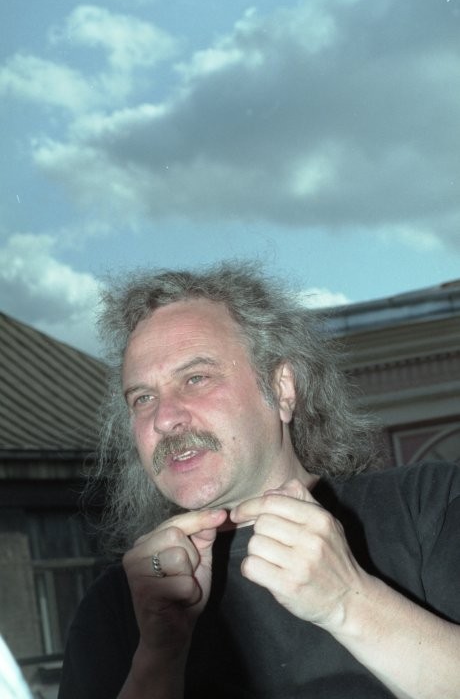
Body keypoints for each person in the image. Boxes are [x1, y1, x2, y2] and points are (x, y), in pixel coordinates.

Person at [58, 261, 460, 699]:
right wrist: (159, 655)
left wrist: (348, 600)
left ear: (282, 388)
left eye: (196, 378)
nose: (164, 418)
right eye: (143, 398)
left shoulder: (428, 506)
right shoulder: (119, 605)